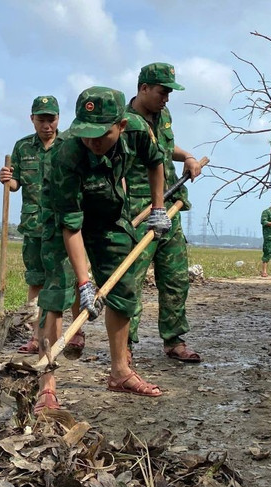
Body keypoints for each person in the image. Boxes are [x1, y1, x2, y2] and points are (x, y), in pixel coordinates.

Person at [35, 86, 170, 413]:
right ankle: (47, 386)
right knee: (55, 295)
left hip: (109, 214)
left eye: (102, 134)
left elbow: (156, 163)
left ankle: (120, 371)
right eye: (86, 133)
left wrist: (158, 207)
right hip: (63, 220)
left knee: (123, 289)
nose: (93, 141)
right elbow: (71, 226)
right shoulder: (65, 153)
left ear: (121, 125)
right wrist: (84, 282)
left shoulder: (138, 131)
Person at [125, 62, 202, 363]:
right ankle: (125, 347)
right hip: (140, 211)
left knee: (175, 278)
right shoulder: (125, 122)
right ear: (143, 89)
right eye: (162, 92)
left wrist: (189, 157)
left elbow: (165, 149)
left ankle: (174, 341)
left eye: (169, 93)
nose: (166, 98)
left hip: (171, 207)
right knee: (130, 280)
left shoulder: (163, 115)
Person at [0, 96, 85, 356]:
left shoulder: (70, 144)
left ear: (59, 118)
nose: (47, 125)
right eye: (41, 119)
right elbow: (16, 185)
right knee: (36, 279)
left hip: (64, 226)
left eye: (52, 119)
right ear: (32, 119)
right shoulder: (23, 147)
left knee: (70, 279)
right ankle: (37, 336)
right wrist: (7, 179)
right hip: (35, 225)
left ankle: (76, 332)